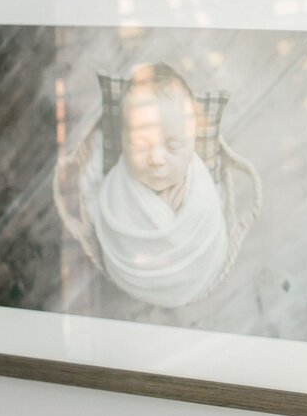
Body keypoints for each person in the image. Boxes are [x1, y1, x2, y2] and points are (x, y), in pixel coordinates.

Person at [93, 64, 228, 309]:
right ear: (123, 139)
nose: (156, 158)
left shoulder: (197, 181)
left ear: (192, 141)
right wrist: (161, 217)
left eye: (174, 146)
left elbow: (210, 226)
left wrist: (178, 217)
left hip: (193, 274)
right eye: (140, 144)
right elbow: (120, 237)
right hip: (135, 277)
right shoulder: (120, 183)